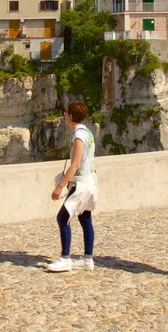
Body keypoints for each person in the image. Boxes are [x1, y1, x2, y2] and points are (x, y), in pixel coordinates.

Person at [46, 101, 98, 272]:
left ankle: (65, 258)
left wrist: (60, 187)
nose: (64, 117)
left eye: (65, 114)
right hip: (90, 181)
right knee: (85, 218)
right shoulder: (88, 132)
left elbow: (74, 165)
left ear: (70, 116)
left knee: (62, 218)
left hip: (81, 184)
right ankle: (87, 259)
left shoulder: (79, 136)